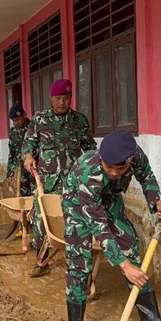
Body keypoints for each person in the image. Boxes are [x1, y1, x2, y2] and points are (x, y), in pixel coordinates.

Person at [61, 130, 161, 321]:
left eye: (120, 168)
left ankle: (151, 318)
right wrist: (123, 265)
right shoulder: (88, 173)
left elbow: (146, 175)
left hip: (110, 199)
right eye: (108, 167)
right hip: (78, 205)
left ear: (130, 159)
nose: (113, 172)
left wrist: (157, 202)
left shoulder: (136, 156)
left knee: (132, 250)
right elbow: (99, 227)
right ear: (102, 159)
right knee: (79, 264)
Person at [22, 79, 96, 277]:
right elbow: (28, 144)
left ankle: (76, 265)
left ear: (71, 98)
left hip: (73, 184)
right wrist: (28, 156)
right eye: (58, 98)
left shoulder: (79, 121)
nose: (62, 102)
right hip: (45, 183)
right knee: (40, 223)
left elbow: (90, 150)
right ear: (50, 98)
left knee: (73, 224)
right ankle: (42, 261)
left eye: (66, 98)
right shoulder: (39, 120)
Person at [6, 104, 34, 197]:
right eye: (13, 121)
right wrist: (10, 171)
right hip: (21, 171)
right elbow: (12, 153)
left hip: (33, 169)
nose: (15, 123)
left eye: (18, 119)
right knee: (23, 197)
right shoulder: (13, 132)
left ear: (24, 115)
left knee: (35, 195)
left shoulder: (33, 128)